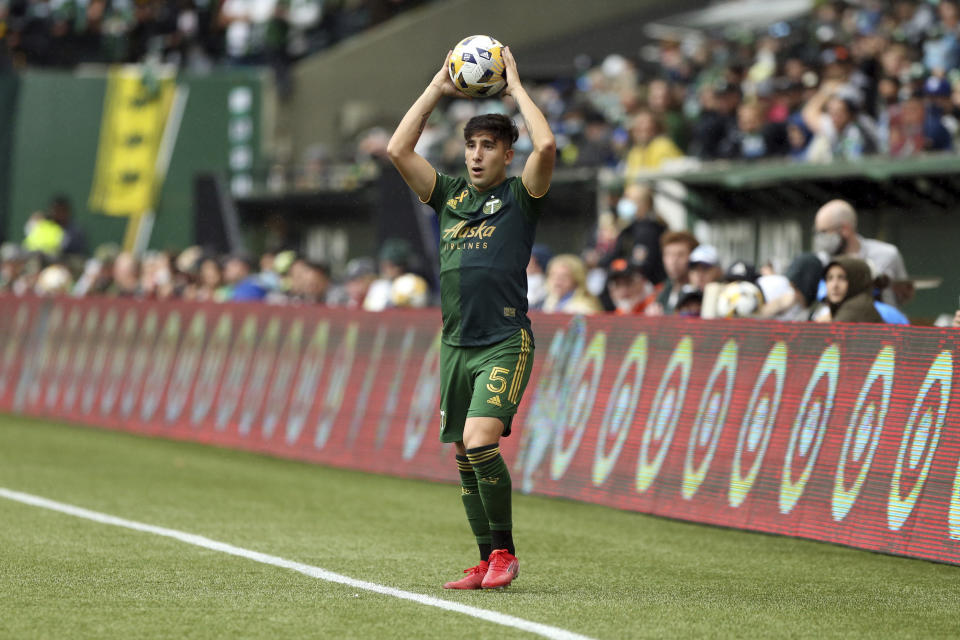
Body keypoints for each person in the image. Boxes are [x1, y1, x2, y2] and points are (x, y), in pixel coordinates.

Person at [386, 44, 555, 590]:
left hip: (504, 338)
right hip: (455, 344)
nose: (478, 155)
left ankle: (505, 554)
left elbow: (547, 143)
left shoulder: (521, 196)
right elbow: (397, 148)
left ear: (508, 154)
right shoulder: (450, 197)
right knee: (464, 452)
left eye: (490, 146)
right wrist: (438, 85)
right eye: (472, 146)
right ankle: (485, 559)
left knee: (482, 439)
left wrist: (517, 89)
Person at [812, 199, 911, 307]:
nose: (820, 238)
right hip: (838, 321)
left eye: (824, 232)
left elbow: (904, 294)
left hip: (882, 321)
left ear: (845, 229)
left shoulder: (887, 254)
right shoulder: (821, 260)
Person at [812, 256, 883, 323]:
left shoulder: (857, 307)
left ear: (856, 281)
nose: (834, 285)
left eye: (842, 278)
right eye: (830, 278)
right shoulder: (845, 307)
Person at [648, 230, 698, 315]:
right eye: (668, 254)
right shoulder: (661, 290)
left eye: (680, 255)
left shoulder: (698, 292)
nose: (673, 261)